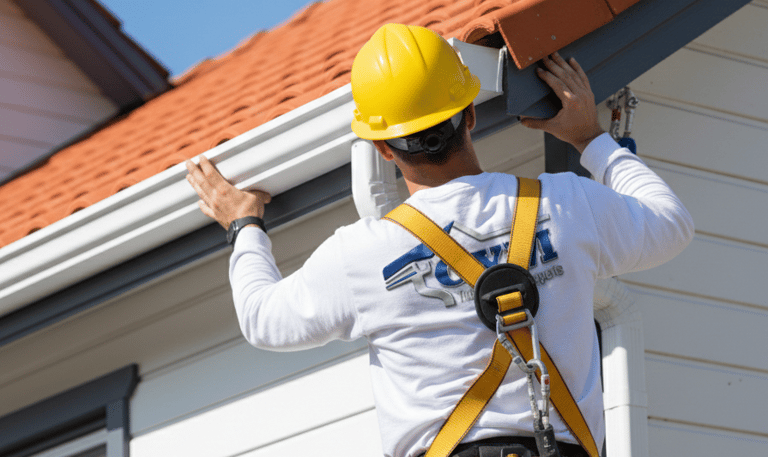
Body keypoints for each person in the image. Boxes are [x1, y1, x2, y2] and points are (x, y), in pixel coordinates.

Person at [186, 23, 693, 457]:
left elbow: (262, 318)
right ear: (469, 114)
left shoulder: (362, 255)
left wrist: (243, 224)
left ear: (383, 149)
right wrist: (591, 138)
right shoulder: (564, 204)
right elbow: (671, 224)